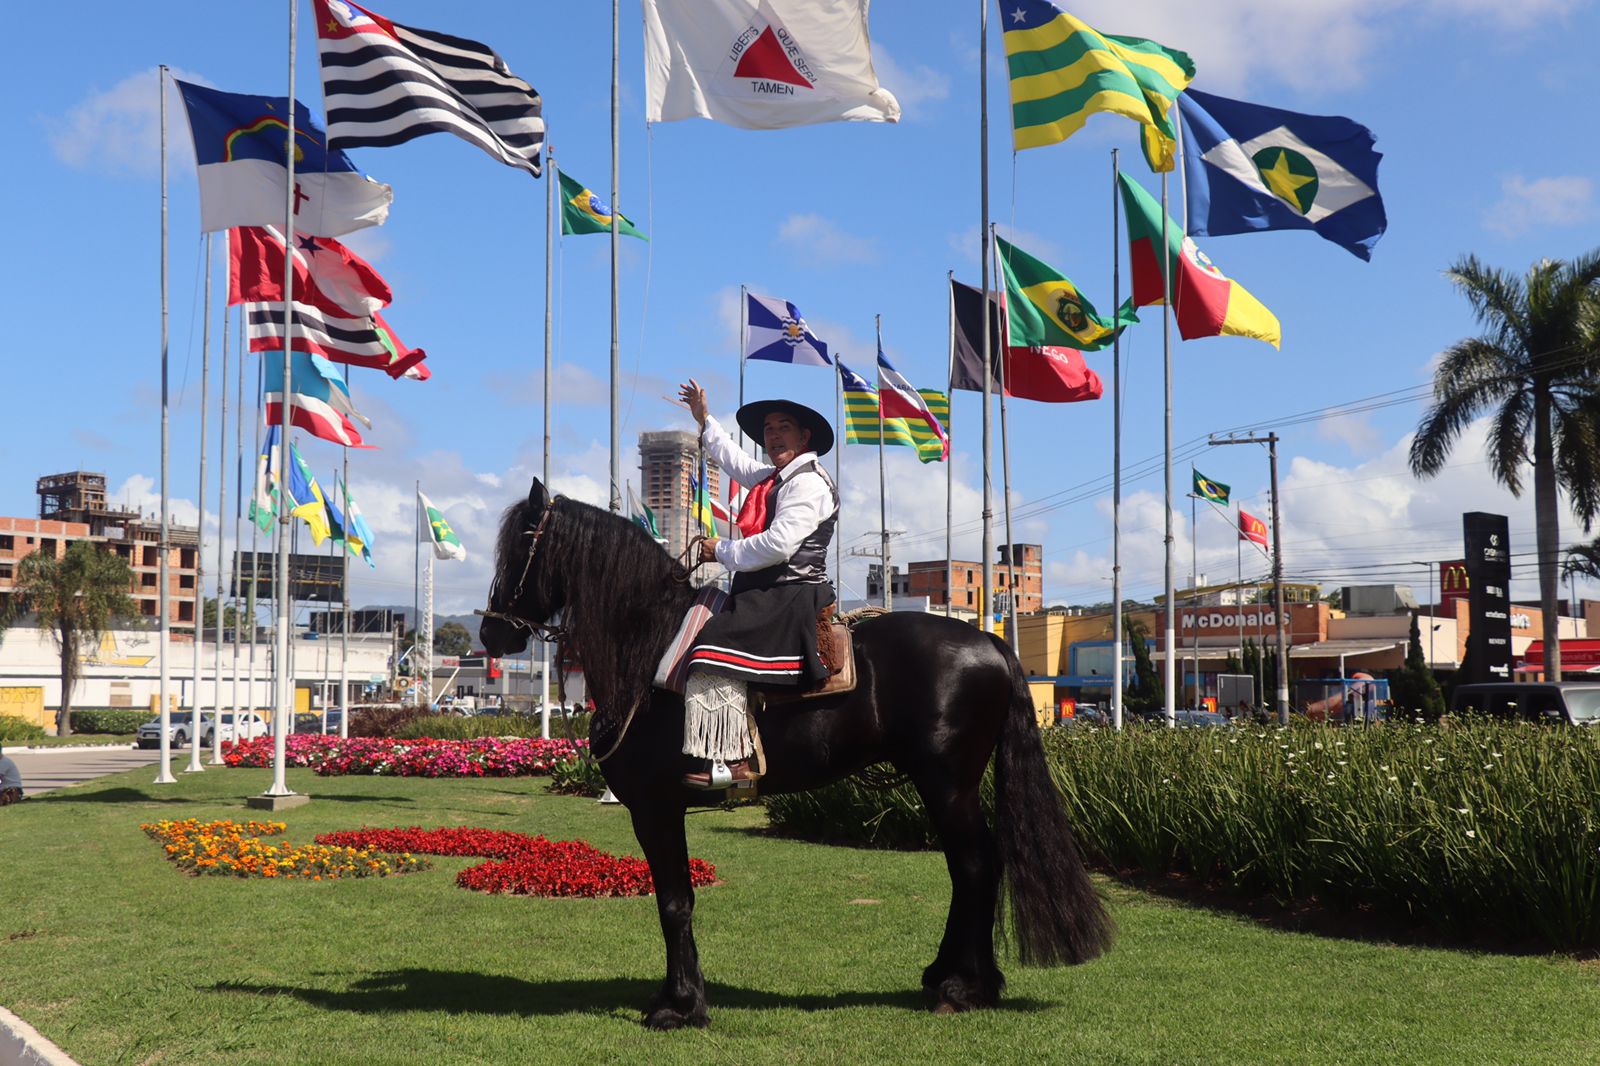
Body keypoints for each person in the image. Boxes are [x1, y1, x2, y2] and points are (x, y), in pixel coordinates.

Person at [675, 379, 840, 790]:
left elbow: (779, 545)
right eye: (768, 428)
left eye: (784, 426)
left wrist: (722, 551)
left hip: (790, 592)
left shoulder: (808, 482)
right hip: (768, 590)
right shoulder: (777, 477)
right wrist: (704, 419)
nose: (773, 434)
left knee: (711, 647)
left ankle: (732, 761)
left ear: (804, 436)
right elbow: (737, 463)